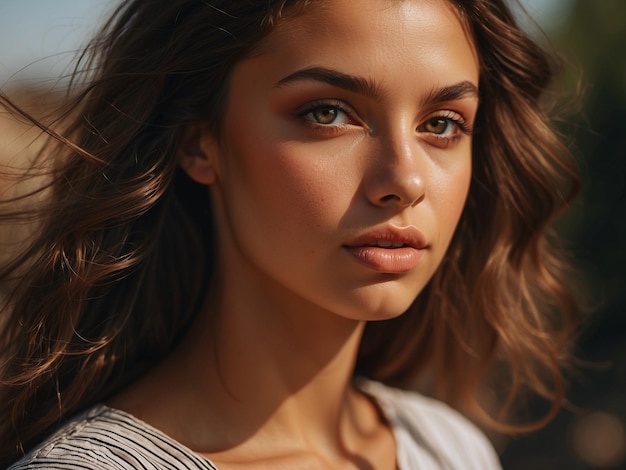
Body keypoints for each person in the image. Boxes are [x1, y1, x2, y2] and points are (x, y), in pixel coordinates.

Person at [0, 0, 580, 468]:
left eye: (442, 124)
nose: (404, 179)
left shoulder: (450, 449)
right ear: (199, 141)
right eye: (328, 113)